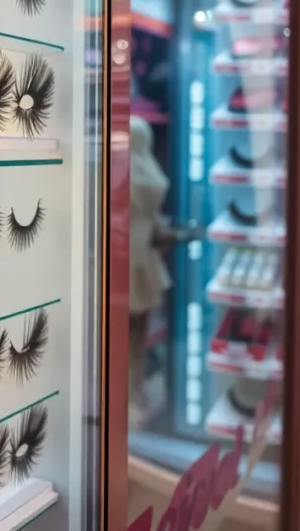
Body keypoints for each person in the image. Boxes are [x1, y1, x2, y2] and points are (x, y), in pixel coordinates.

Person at [129, 115, 172, 412]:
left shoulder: (121, 170)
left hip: (126, 258)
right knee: (136, 336)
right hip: (142, 259)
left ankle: (127, 394)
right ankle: (132, 393)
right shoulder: (150, 173)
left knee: (121, 336)